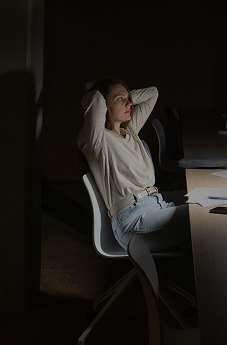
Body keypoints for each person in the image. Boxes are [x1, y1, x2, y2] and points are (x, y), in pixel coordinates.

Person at [77, 79, 190, 252]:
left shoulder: (130, 132)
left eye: (129, 98)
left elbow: (153, 93)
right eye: (120, 99)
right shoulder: (96, 141)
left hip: (156, 204)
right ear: (105, 105)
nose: (130, 103)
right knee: (205, 216)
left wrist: (125, 98)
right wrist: (105, 96)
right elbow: (95, 99)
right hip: (132, 221)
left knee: (207, 198)